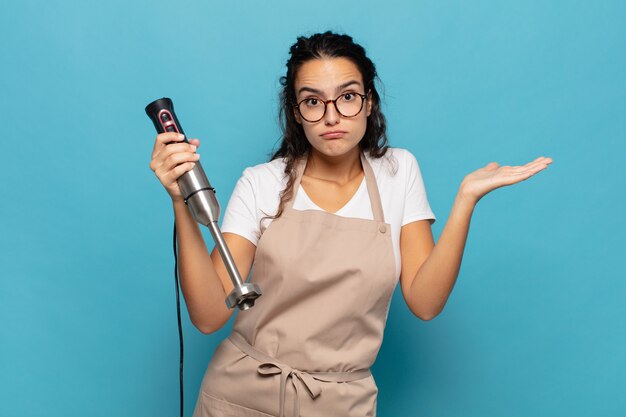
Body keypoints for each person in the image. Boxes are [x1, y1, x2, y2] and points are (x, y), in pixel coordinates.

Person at [149, 31, 552, 417]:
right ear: (295, 111)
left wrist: (465, 199)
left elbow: (425, 303)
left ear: (369, 101)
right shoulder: (262, 182)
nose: (331, 117)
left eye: (347, 97)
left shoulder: (399, 172)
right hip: (239, 397)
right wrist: (179, 202)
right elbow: (207, 316)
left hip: (341, 404)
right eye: (312, 102)